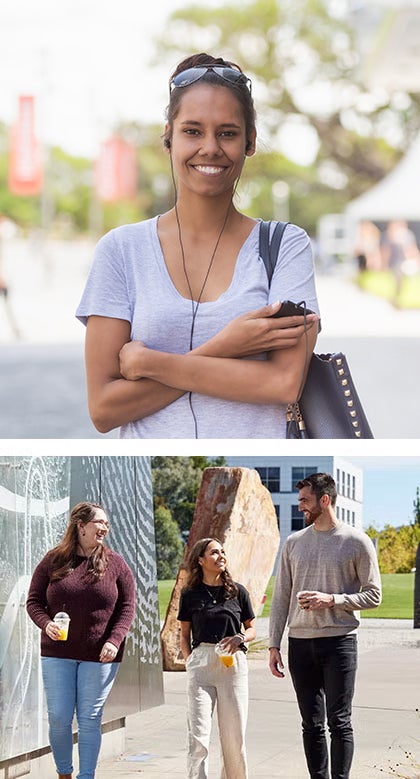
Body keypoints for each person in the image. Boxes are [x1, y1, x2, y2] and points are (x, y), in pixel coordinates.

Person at [76, 52, 320, 439]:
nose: (210, 148)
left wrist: (148, 362)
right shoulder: (121, 251)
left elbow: (283, 384)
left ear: (250, 141)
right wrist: (227, 345)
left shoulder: (285, 246)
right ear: (169, 137)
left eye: (227, 133)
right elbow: (104, 410)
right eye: (193, 131)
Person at [268, 473, 382, 779]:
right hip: (300, 644)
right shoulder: (294, 543)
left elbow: (374, 595)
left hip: (340, 643)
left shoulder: (356, 542)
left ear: (325, 499)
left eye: (305, 500)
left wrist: (332, 599)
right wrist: (274, 645)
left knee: (339, 721)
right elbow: (281, 597)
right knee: (311, 723)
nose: (300, 506)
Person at [26, 501, 136, 779]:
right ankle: (64, 773)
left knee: (89, 719)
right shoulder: (53, 560)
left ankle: (87, 776)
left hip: (100, 655)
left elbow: (128, 606)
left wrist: (114, 639)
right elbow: (34, 601)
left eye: (107, 524)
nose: (105, 528)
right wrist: (46, 623)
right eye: (100, 522)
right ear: (81, 525)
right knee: (59, 718)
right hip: (57, 653)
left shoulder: (116, 564)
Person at [177, 537, 256, 778]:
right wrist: (191, 661)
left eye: (222, 551)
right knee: (198, 734)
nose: (221, 556)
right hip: (201, 665)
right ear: (200, 560)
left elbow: (252, 628)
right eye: (214, 552)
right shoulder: (190, 594)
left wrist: (240, 638)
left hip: (232, 665)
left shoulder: (237, 592)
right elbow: (184, 635)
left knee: (234, 736)